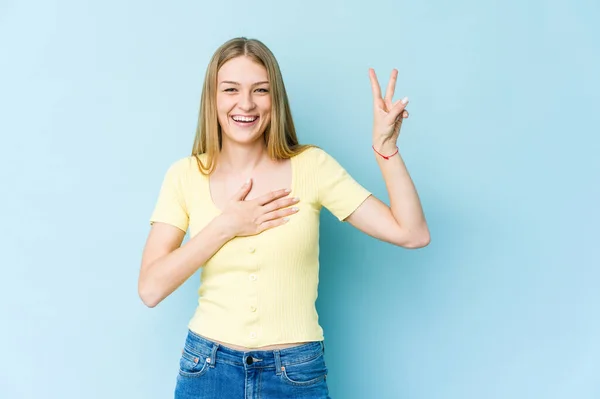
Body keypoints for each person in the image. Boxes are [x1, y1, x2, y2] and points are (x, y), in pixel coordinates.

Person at [138, 37, 430, 399]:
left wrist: (386, 150)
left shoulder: (312, 166)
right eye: (231, 89)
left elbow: (412, 233)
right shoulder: (184, 175)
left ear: (275, 99)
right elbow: (150, 288)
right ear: (212, 99)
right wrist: (226, 225)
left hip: (294, 372)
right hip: (207, 370)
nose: (245, 103)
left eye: (260, 90)